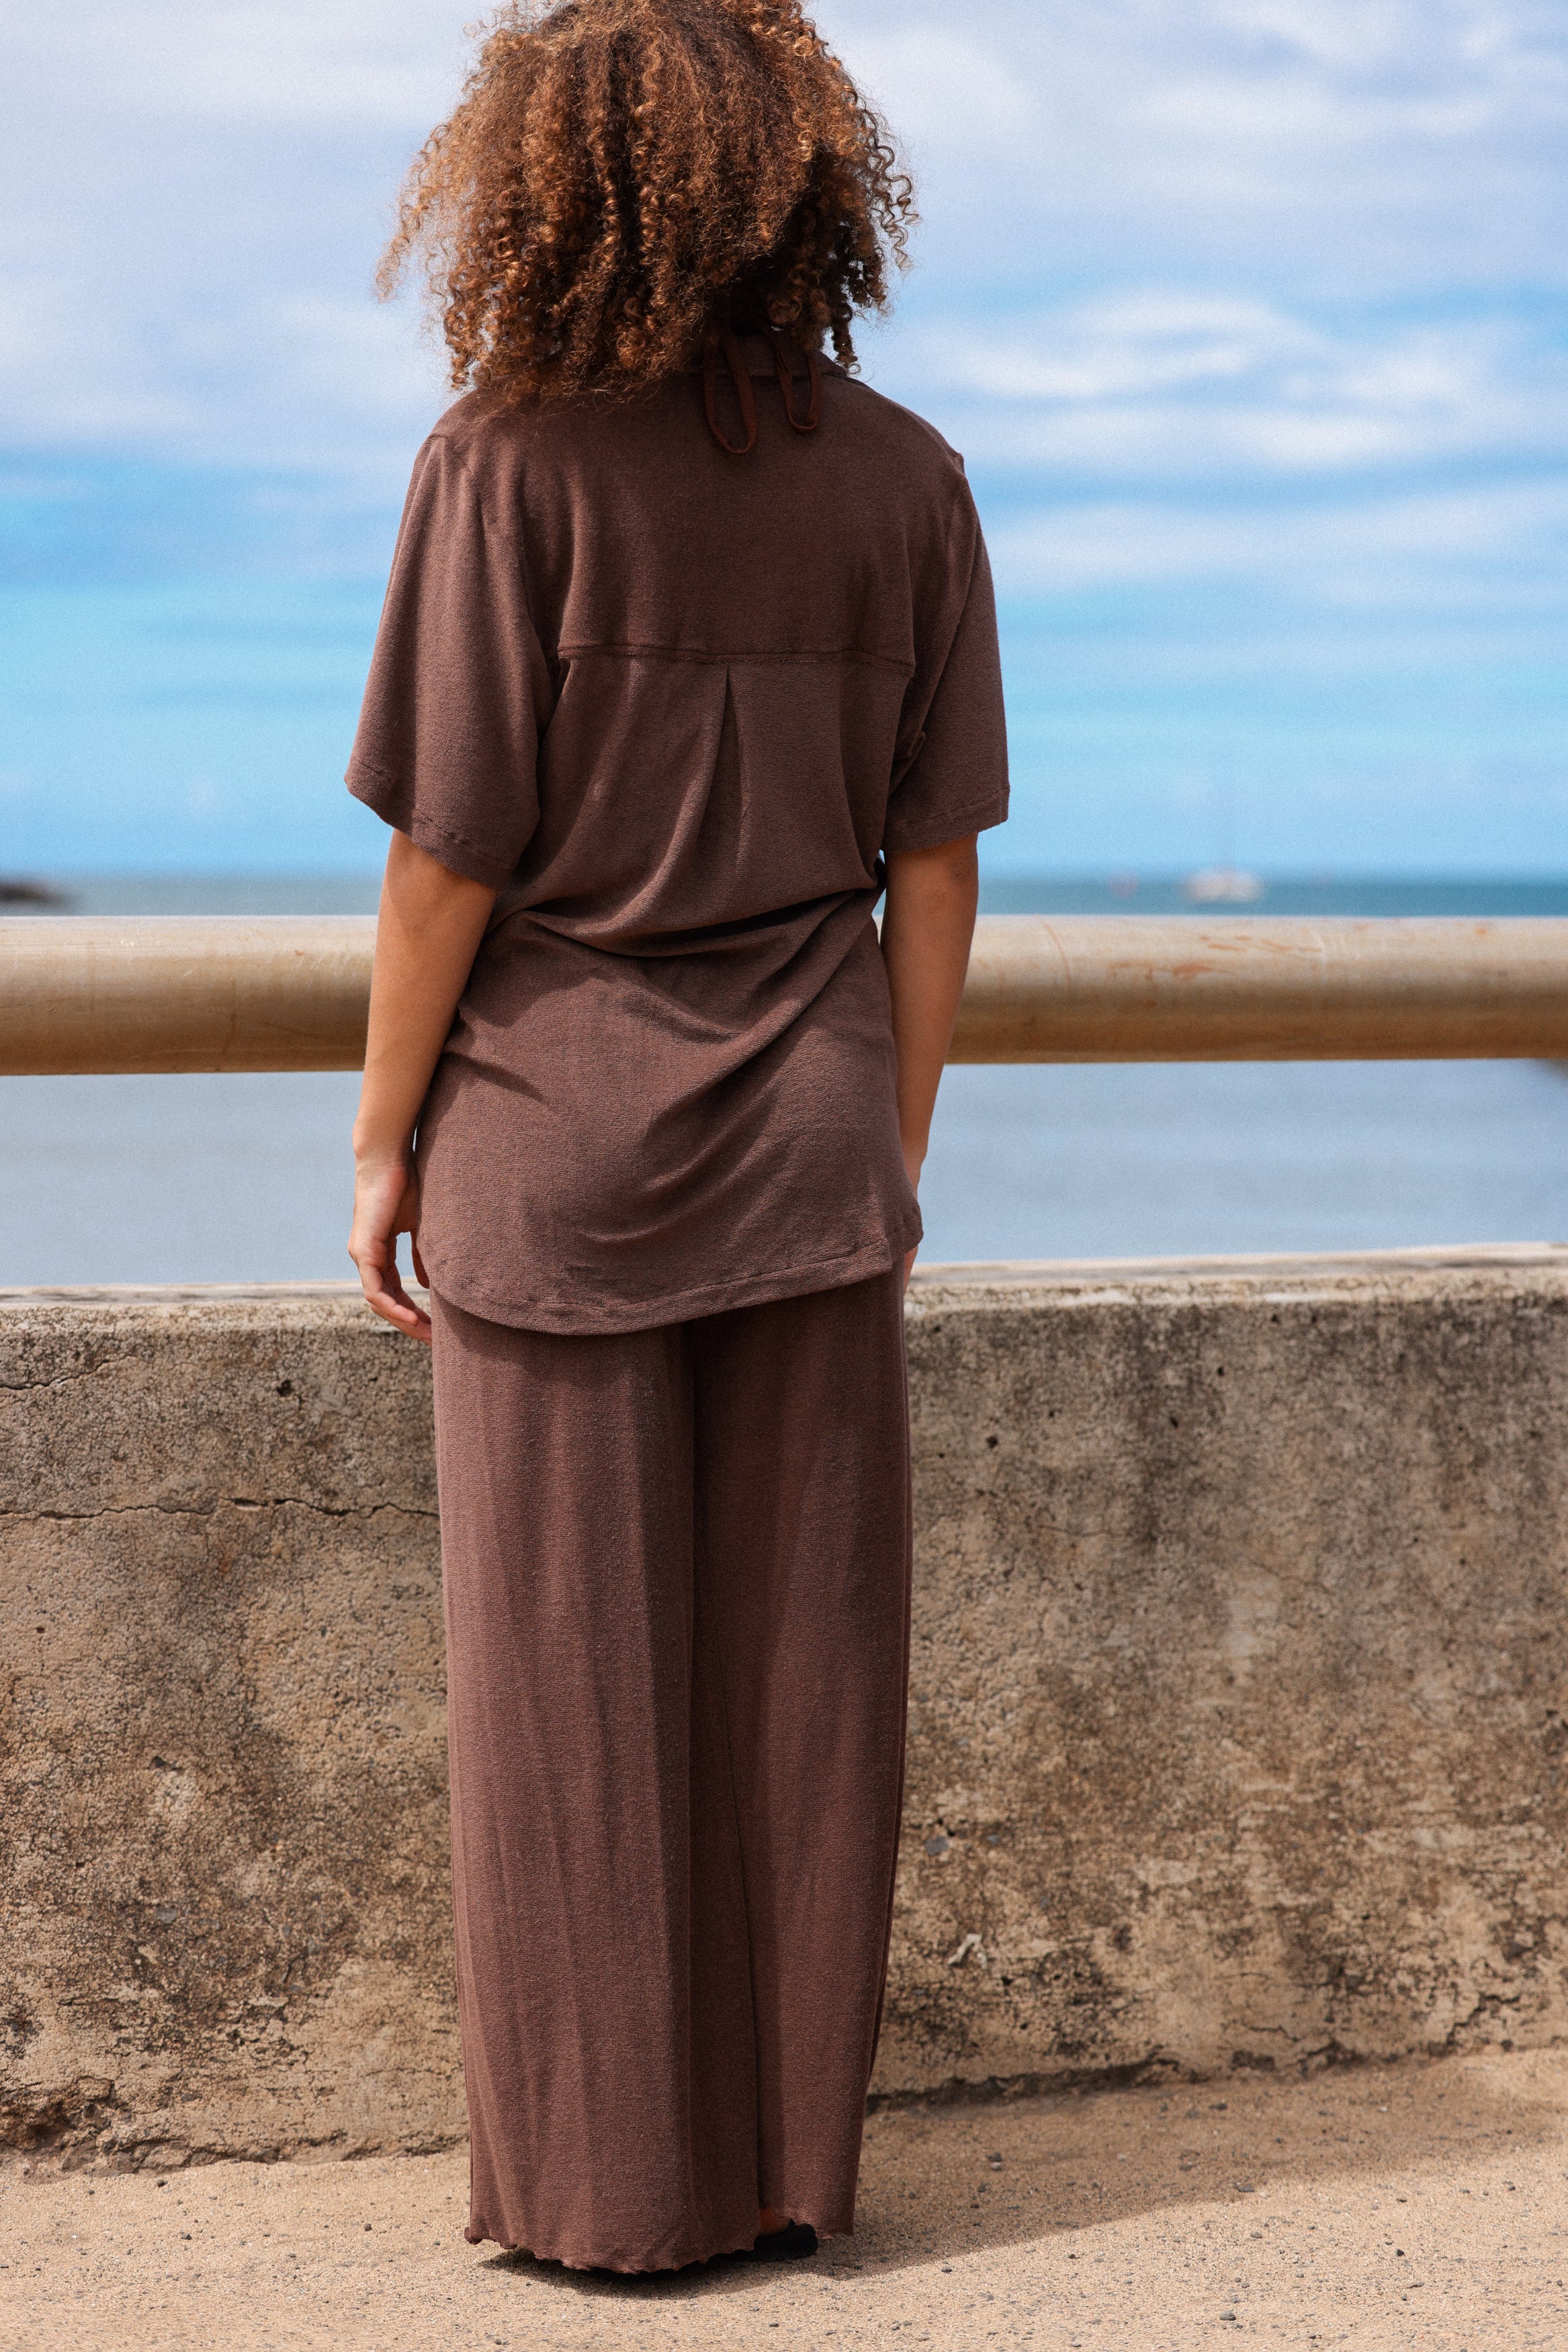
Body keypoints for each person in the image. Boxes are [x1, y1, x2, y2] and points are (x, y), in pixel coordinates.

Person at [345, 0, 1008, 2277]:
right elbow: (936, 871)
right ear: (813, 186)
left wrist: (374, 1142)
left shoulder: (503, 462)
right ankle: (788, 2176)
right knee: (806, 1683)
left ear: (539, 179)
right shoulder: (911, 480)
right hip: (815, 1141)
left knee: (566, 1695)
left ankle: (606, 2202)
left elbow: (448, 860)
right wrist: (880, 1141)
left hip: (546, 1144)